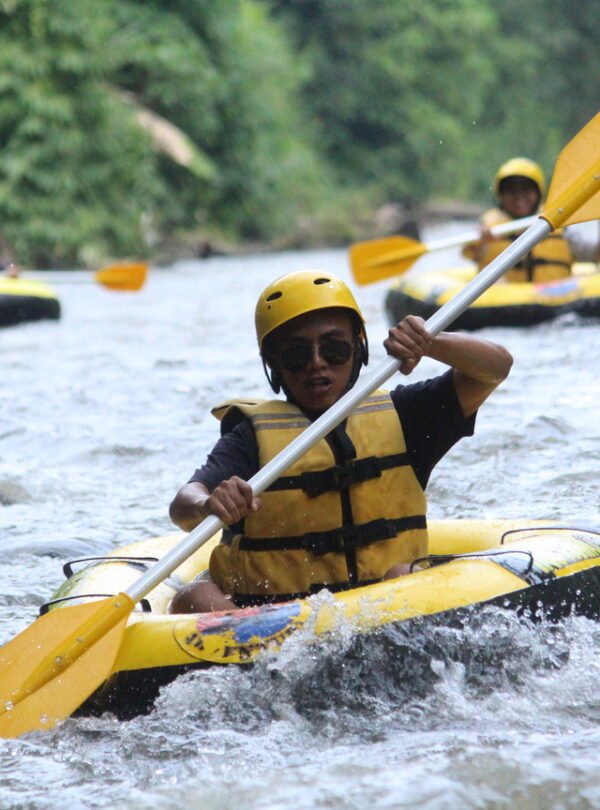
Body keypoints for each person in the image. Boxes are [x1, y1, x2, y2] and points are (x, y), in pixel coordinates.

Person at [169, 270, 512, 613]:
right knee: (192, 597)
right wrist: (209, 504)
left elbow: (494, 367)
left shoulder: (407, 416)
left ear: (358, 347)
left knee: (402, 574)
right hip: (272, 624)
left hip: (386, 614)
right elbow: (184, 504)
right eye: (297, 355)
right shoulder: (250, 437)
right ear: (273, 363)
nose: (317, 364)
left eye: (333, 349)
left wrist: (431, 342)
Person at [463, 157, 574, 282]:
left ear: (538, 193)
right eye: (511, 190)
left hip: (556, 299)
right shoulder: (489, 227)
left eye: (527, 189)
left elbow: (588, 249)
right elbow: (468, 252)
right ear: (501, 195)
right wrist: (482, 242)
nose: (519, 197)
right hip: (504, 299)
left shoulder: (558, 221)